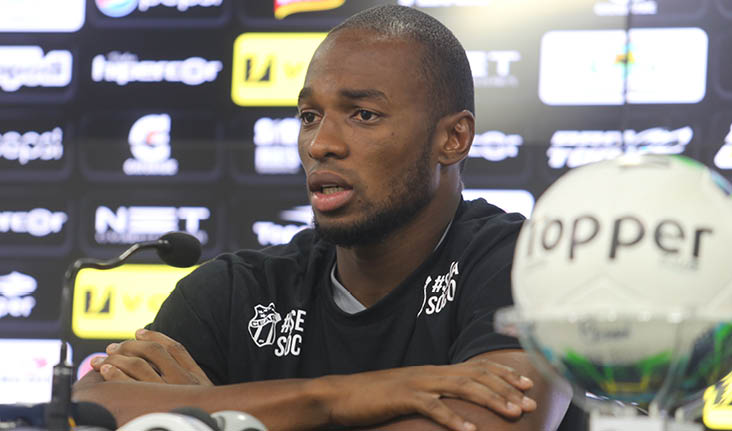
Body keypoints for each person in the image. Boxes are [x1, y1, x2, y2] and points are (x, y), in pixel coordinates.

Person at [72, 5, 574, 430]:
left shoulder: (527, 266)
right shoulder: (234, 291)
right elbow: (87, 408)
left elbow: (500, 420)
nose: (320, 144)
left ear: (453, 139)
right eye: (310, 117)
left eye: (363, 115)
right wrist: (336, 397)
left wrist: (220, 415)